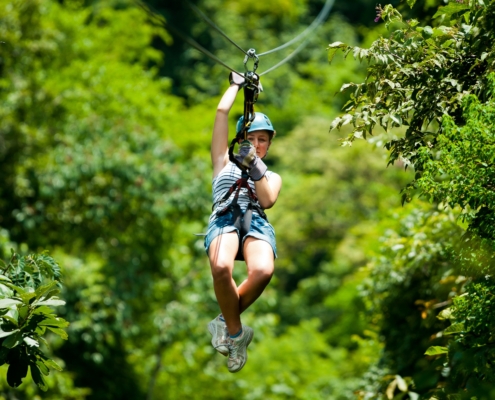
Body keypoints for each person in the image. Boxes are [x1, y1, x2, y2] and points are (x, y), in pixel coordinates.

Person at [204, 73, 282, 373]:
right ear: (240, 140)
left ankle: (225, 321)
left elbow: (268, 200)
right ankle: (236, 334)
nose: (257, 144)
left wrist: (255, 166)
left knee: (263, 270)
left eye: (263, 140)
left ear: (268, 146)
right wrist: (235, 86)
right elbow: (222, 113)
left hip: (255, 222)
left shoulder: (271, 175)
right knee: (222, 268)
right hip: (225, 216)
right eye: (251, 138)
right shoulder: (222, 161)